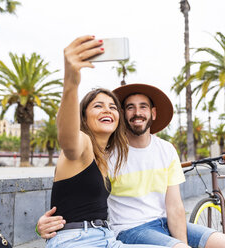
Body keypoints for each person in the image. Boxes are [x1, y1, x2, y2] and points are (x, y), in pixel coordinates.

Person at [38, 81, 225, 247]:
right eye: (130, 107)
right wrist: (42, 224)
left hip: (162, 224)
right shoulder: (103, 152)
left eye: (143, 107)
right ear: (124, 115)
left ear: (152, 113)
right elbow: (76, 185)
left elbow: (175, 206)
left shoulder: (166, 149)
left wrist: (181, 243)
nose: (137, 113)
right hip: (129, 229)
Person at [46, 35, 164, 248]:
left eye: (112, 106)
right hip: (77, 241)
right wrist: (71, 81)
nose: (107, 109)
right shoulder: (82, 144)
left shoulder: (109, 156)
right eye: (98, 106)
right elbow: (67, 138)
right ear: (83, 117)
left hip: (107, 238)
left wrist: (40, 226)